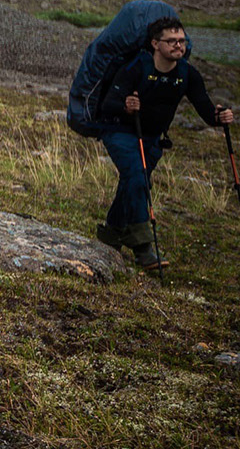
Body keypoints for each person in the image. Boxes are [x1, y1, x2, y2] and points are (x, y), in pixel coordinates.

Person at [96, 16, 234, 269]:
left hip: (152, 139)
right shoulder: (134, 67)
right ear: (155, 44)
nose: (178, 46)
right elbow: (109, 104)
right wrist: (127, 106)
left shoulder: (187, 74)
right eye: (171, 41)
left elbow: (205, 109)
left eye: (181, 41)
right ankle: (143, 248)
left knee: (136, 182)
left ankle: (111, 233)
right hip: (119, 131)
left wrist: (219, 117)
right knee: (137, 177)